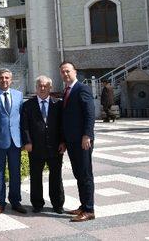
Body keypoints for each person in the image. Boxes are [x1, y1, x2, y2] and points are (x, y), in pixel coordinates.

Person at [21, 76, 65, 214]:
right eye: (40, 85)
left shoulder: (58, 104)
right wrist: (27, 142)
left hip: (55, 147)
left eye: (46, 86)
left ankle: (57, 204)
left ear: (50, 88)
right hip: (35, 147)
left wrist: (63, 142)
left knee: (56, 176)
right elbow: (24, 126)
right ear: (36, 87)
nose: (42, 88)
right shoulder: (28, 105)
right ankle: (37, 203)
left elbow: (62, 125)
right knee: (36, 176)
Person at [60, 61, 96, 222]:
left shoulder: (82, 89)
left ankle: (89, 209)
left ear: (75, 71)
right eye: (63, 72)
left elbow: (89, 114)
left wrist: (87, 135)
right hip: (72, 141)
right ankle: (83, 205)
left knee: (85, 174)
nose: (65, 74)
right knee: (78, 174)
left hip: (83, 141)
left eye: (68, 71)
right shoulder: (67, 90)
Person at [0, 68, 27, 215]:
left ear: (11, 80)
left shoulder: (19, 95)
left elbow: (21, 119)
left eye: (7, 78)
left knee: (15, 173)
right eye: (1, 78)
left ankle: (16, 201)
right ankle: (0, 202)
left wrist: (24, 139)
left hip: (15, 141)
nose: (4, 80)